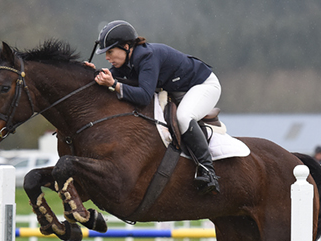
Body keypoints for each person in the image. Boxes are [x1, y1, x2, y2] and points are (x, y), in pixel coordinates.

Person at [87, 20, 221, 194]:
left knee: (184, 117)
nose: (107, 57)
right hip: (181, 90)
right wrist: (93, 73)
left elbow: (143, 96)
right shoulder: (127, 61)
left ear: (126, 46)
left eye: (110, 52)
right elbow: (110, 77)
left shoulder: (146, 56)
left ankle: (208, 170)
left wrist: (114, 85)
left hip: (204, 85)